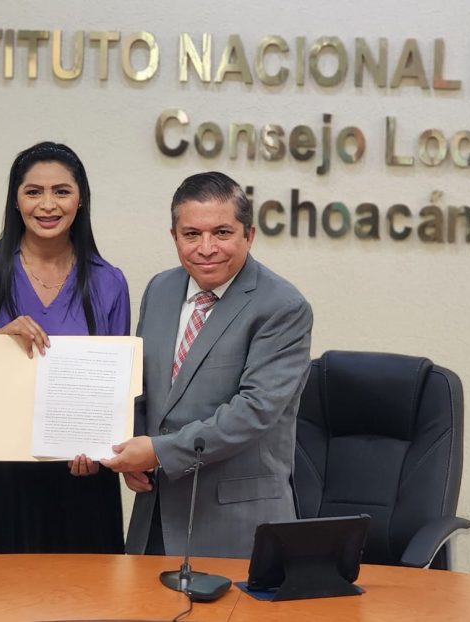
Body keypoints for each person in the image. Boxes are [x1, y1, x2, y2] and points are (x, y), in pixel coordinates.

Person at [0, 141, 130, 555]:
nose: (48, 204)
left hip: (81, 480)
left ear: (80, 200)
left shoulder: (109, 281)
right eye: (34, 191)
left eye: (62, 191)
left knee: (83, 594)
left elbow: (117, 391)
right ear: (16, 200)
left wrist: (99, 451)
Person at [101, 171, 312, 558]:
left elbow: (254, 411)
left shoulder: (283, 306)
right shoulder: (160, 289)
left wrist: (158, 452)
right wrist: (130, 449)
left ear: (249, 235)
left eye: (222, 232)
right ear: (174, 237)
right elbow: (142, 385)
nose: (206, 248)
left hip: (236, 524)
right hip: (156, 515)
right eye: (192, 234)